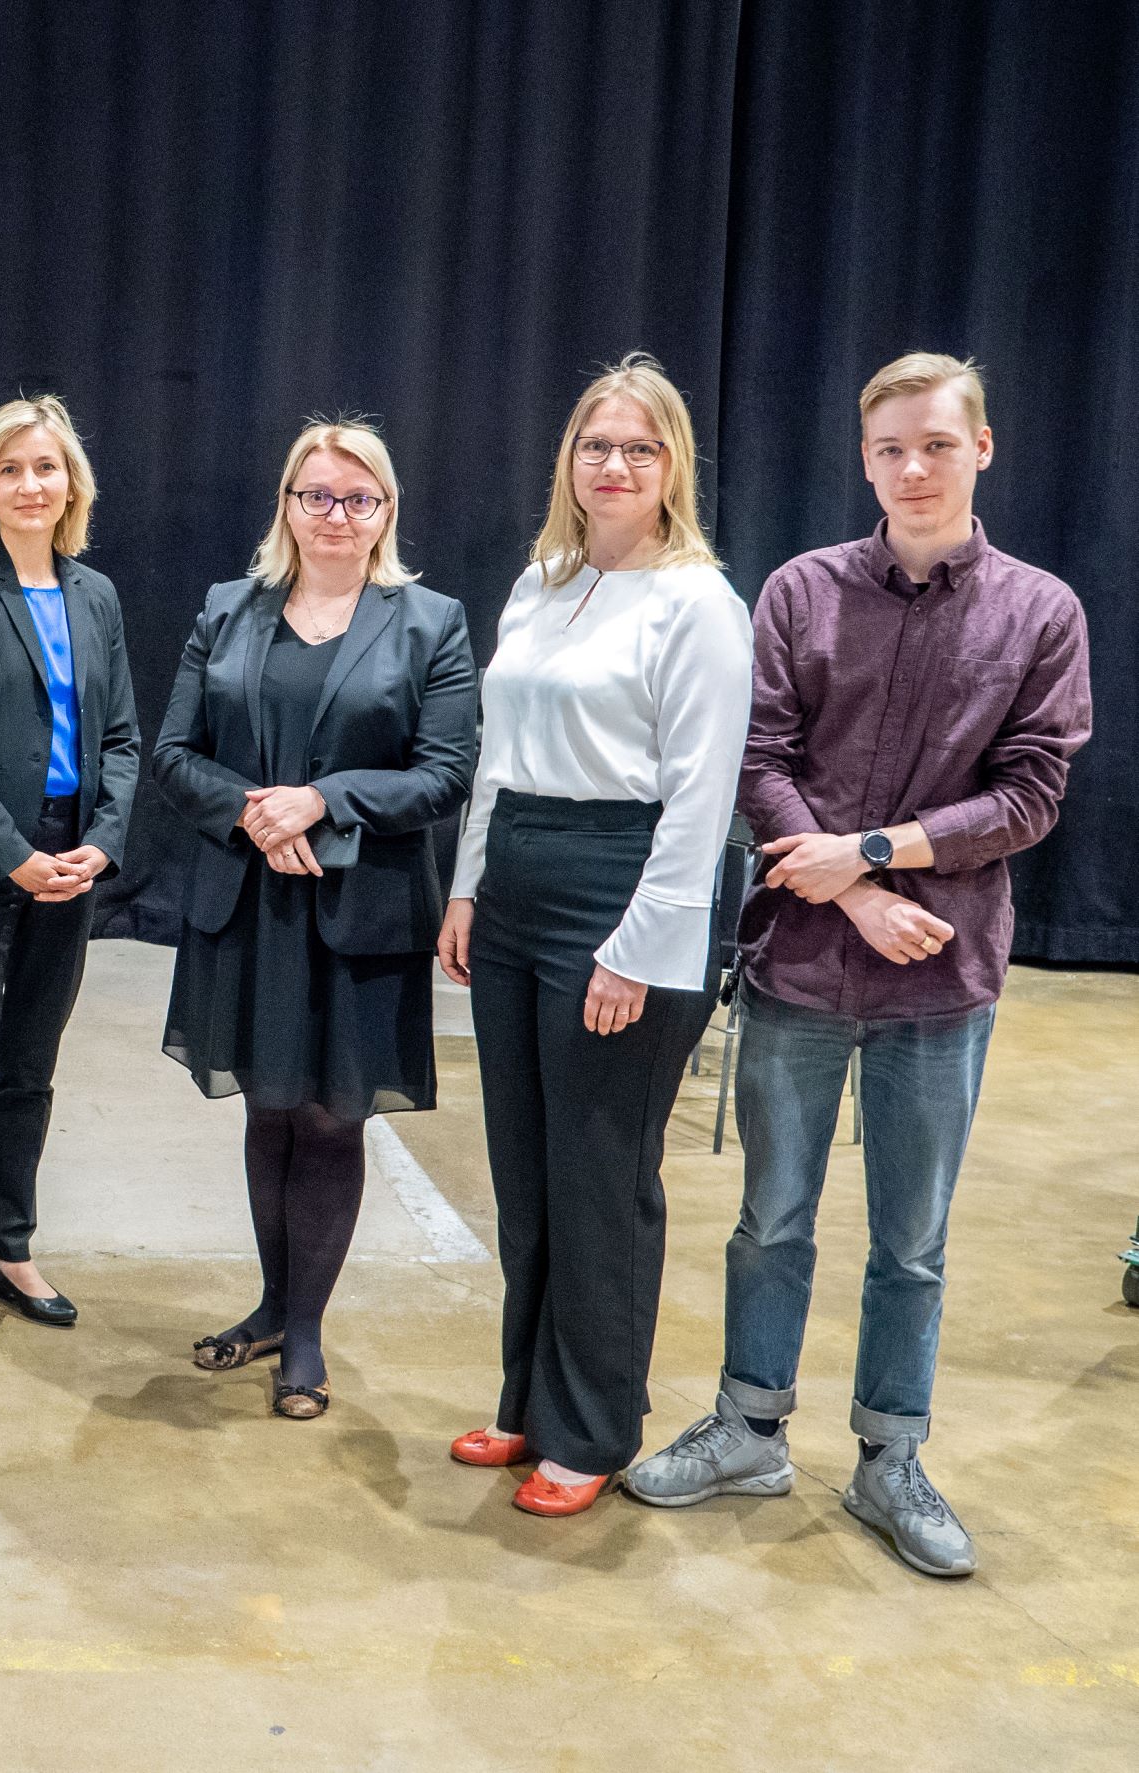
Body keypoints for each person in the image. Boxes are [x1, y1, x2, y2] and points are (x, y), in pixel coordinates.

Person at [626, 353, 1092, 1575]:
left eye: (936, 444)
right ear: (864, 457)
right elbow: (757, 758)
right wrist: (856, 892)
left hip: (943, 979)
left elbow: (1032, 795)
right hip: (803, 968)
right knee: (770, 1217)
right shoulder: (800, 592)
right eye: (890, 448)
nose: (913, 468)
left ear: (980, 449)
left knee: (913, 1239)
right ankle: (749, 1424)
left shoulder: (1041, 612)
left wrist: (876, 857)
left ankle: (890, 1456)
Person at [438, 355, 751, 1512]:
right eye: (594, 445)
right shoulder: (541, 583)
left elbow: (701, 801)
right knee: (525, 1174)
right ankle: (529, 1401)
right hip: (516, 881)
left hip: (620, 897)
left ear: (673, 468)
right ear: (568, 463)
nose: (613, 465)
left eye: (639, 447)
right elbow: (496, 762)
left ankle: (596, 1426)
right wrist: (469, 887)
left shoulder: (699, 604)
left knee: (600, 1178)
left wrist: (636, 950)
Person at [155, 420, 477, 1417]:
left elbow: (446, 774)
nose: (335, 516)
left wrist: (324, 800)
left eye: (358, 498)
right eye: (316, 496)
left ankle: (303, 1335)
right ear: (286, 505)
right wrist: (258, 813)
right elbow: (173, 755)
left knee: (333, 1121)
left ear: (386, 511)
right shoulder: (228, 611)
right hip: (250, 905)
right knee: (267, 1109)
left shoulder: (430, 621)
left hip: (359, 915)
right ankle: (267, 1304)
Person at [0, 395, 140, 1351]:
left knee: (32, 1071)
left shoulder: (97, 596)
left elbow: (122, 739)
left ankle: (11, 1244)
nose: (30, 484)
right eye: (10, 469)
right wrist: (13, 854)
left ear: (71, 483)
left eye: (45, 467)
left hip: (72, 860)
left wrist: (103, 841)